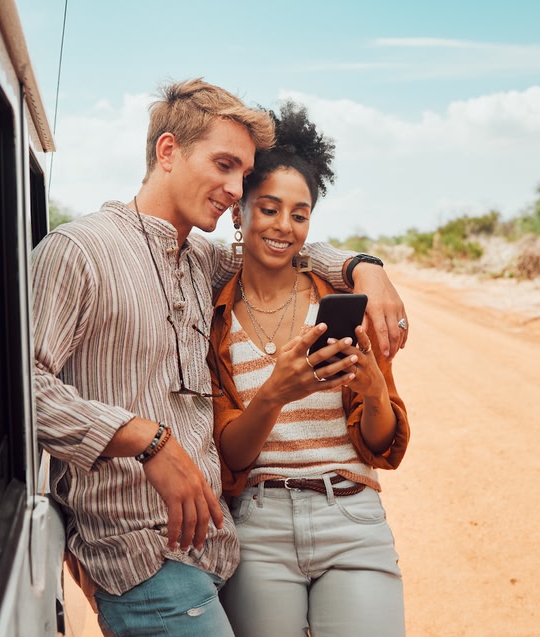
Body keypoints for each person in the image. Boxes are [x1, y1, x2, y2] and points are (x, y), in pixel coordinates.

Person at [31, 78, 409, 636]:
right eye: (225, 165)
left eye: (243, 174)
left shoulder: (200, 264)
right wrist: (146, 439)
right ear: (167, 151)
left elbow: (280, 244)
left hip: (212, 548)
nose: (237, 188)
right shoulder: (80, 250)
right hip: (140, 554)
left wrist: (364, 266)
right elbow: (8, 386)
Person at [209, 101, 410, 637]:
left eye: (299, 214)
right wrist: (274, 394)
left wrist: (371, 391)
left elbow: (380, 443)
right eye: (269, 208)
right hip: (257, 526)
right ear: (240, 211)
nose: (284, 226)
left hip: (352, 517)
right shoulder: (215, 317)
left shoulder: (342, 301)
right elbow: (231, 455)